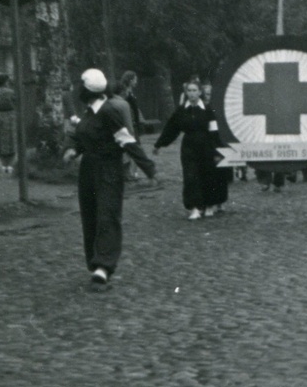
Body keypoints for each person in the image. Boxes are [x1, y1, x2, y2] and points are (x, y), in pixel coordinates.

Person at [63, 68, 157, 285]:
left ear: (86, 91)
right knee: (90, 216)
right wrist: (72, 150)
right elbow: (79, 136)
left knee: (108, 215)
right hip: (88, 170)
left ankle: (104, 265)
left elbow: (127, 141)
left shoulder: (109, 112)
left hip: (109, 170)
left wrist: (149, 169)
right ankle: (95, 263)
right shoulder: (89, 113)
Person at [153, 81, 225, 220]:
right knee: (190, 177)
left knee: (207, 175)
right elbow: (171, 129)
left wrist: (218, 149)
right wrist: (159, 144)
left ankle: (209, 205)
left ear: (199, 92)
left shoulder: (208, 110)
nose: (192, 93)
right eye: (189, 90)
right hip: (189, 147)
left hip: (207, 146)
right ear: (186, 93)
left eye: (194, 90)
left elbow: (214, 131)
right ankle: (195, 208)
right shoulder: (181, 111)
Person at [0, 74, 18, 174]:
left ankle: (0, 165)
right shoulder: (10, 92)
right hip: (10, 114)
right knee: (11, 139)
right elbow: (16, 101)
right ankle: (10, 165)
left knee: (0, 140)